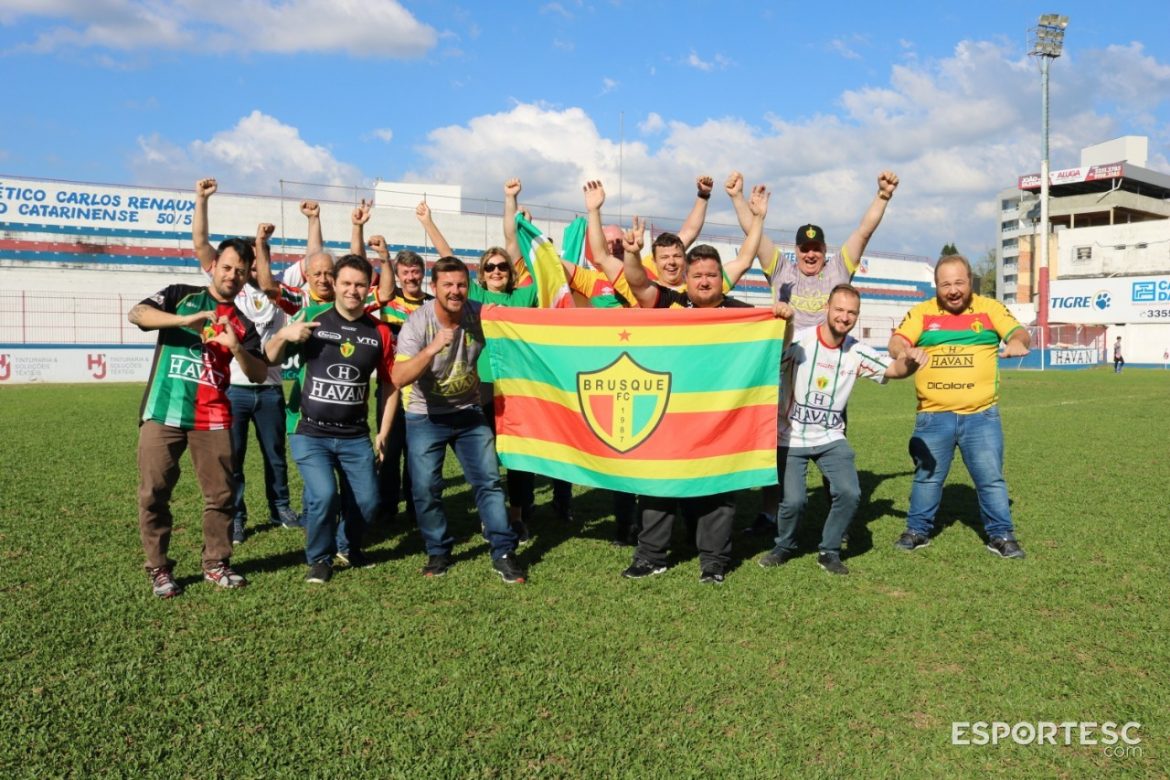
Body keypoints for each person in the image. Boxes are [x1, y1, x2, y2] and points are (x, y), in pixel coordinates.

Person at [610, 179, 771, 583]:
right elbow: (638, 285)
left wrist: (758, 221)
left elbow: (750, 256)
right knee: (657, 486)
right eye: (696, 275)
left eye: (711, 275)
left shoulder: (740, 315)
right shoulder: (670, 302)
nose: (703, 281)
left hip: (719, 418)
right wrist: (632, 255)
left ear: (722, 279)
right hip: (670, 414)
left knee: (717, 490)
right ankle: (652, 556)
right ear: (687, 278)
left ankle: (713, 562)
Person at [727, 169, 899, 537]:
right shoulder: (782, 270)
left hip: (828, 370)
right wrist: (738, 199)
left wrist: (882, 197)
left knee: (831, 440)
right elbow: (754, 239)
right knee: (779, 446)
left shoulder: (838, 269)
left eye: (816, 248)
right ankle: (770, 515)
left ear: (824, 250)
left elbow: (863, 232)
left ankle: (832, 513)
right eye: (804, 248)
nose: (810, 253)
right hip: (788, 370)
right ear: (796, 251)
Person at [128, 232, 269, 598]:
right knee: (153, 493)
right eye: (226, 267)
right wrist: (184, 320)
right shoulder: (179, 294)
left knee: (222, 495)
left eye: (240, 271)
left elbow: (257, 373)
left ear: (247, 274)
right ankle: (159, 569)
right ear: (214, 265)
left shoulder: (242, 322)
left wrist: (237, 347)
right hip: (164, 410)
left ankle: (216, 563)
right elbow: (137, 314)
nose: (232, 276)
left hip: (213, 416)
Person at [758, 285, 927, 575]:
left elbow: (894, 370)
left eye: (851, 312)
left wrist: (911, 361)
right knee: (794, 502)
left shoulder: (857, 351)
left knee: (849, 492)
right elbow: (781, 348)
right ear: (827, 308)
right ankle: (784, 546)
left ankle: (829, 550)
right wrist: (786, 321)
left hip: (831, 437)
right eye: (839, 309)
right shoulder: (800, 341)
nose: (844, 316)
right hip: (791, 436)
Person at [391, 256, 527, 583]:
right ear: (433, 287)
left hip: (468, 413)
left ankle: (504, 552)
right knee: (424, 489)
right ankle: (438, 551)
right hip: (426, 416)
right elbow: (397, 377)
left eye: (461, 284)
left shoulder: (479, 313)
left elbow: (521, 324)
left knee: (490, 482)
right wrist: (431, 349)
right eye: (448, 285)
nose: (455, 291)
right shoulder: (417, 324)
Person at [887, 254, 1031, 558]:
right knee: (927, 476)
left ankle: (1001, 535)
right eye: (945, 284)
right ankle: (917, 530)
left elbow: (1019, 333)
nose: (953, 290)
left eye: (959, 283)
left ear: (970, 281)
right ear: (936, 285)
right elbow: (896, 343)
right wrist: (906, 350)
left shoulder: (990, 309)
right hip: (932, 416)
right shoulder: (922, 313)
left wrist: (1019, 342)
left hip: (981, 417)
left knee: (990, 478)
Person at [265, 254, 397, 584]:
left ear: (369, 288)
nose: (353, 290)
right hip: (310, 431)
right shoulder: (311, 317)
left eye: (360, 284)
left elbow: (391, 383)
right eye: (347, 283)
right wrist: (283, 336)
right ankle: (320, 559)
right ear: (335, 285)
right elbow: (269, 357)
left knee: (368, 502)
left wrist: (383, 433)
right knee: (323, 496)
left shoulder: (379, 331)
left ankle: (348, 547)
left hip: (355, 435)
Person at [192, 178, 300, 543]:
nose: (239, 273)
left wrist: (262, 244)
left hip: (269, 387)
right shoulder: (225, 286)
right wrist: (202, 200)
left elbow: (276, 279)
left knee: (275, 455)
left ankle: (281, 507)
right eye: (233, 267)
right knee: (233, 458)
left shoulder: (268, 294)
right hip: (233, 389)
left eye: (246, 266)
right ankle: (237, 516)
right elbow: (201, 243)